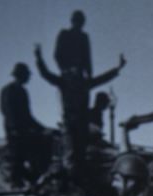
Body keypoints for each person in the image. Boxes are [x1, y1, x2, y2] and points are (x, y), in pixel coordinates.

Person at [34, 43, 125, 187]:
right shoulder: (65, 82)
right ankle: (70, 184)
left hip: (80, 125)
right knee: (70, 156)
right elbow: (46, 74)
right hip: (70, 123)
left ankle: (76, 183)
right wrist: (39, 58)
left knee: (80, 158)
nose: (76, 69)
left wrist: (117, 69)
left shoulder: (84, 83)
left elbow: (102, 78)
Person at [0, 62, 51, 188]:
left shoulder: (21, 91)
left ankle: (34, 180)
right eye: (27, 75)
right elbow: (8, 111)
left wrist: (44, 129)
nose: (29, 78)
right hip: (16, 132)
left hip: (22, 131)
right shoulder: (9, 90)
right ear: (22, 75)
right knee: (18, 161)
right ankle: (17, 184)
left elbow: (28, 116)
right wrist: (15, 129)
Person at [54, 9, 92, 79]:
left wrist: (89, 76)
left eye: (80, 21)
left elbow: (87, 58)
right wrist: (65, 69)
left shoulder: (84, 37)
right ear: (73, 21)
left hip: (80, 76)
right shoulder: (64, 34)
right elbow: (57, 54)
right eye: (77, 20)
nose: (79, 23)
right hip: (67, 75)